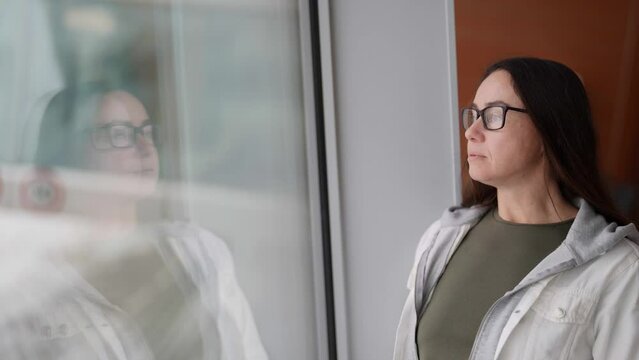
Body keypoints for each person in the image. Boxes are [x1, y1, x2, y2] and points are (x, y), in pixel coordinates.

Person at [393, 57, 639, 360]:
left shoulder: (620, 270)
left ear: (549, 129)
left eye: (494, 115)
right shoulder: (441, 239)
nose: (472, 132)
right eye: (474, 115)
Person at [0, 85, 269, 360]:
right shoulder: (25, 288)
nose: (144, 147)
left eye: (147, 132)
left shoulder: (200, 252)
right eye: (119, 134)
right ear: (69, 151)